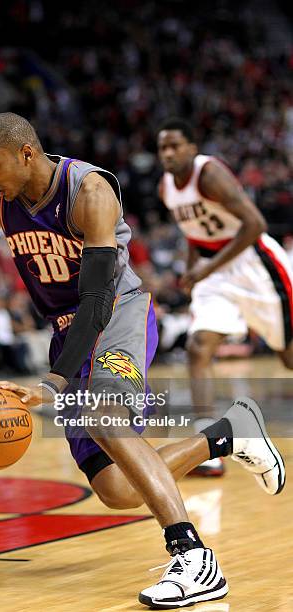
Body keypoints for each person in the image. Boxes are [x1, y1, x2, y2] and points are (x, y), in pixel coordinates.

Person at [0, 112, 285, 608]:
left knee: (103, 414)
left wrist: (53, 383)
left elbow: (97, 298)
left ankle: (193, 557)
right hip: (65, 331)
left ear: (26, 154)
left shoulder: (89, 191)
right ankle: (229, 434)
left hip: (116, 312)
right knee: (118, 489)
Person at [157, 118, 293, 477]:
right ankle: (209, 447)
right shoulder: (166, 188)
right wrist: (193, 270)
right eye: (162, 147)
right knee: (198, 347)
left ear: (191, 148)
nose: (168, 153)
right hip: (214, 270)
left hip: (256, 266)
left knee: (289, 358)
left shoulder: (210, 174)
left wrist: (205, 268)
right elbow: (193, 232)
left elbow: (255, 225)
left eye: (175, 146)